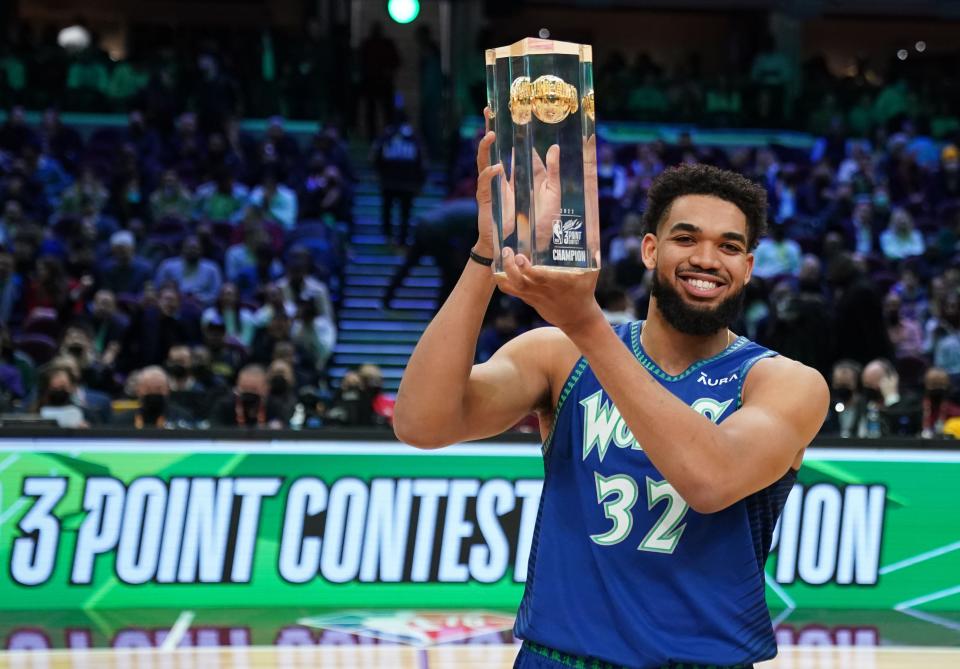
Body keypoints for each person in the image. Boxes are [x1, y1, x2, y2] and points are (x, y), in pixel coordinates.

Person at [393, 130, 829, 669]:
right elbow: (420, 423)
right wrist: (488, 253)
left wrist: (587, 323)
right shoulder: (560, 354)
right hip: (560, 656)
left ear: (748, 267)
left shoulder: (781, 381)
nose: (707, 259)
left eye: (730, 246)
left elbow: (710, 481)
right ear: (650, 248)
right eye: (686, 238)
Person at [114, 366, 192, 429]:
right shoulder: (121, 422)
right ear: (138, 391)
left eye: (159, 389)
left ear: (168, 390)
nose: (154, 393)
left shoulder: (183, 419)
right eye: (148, 389)